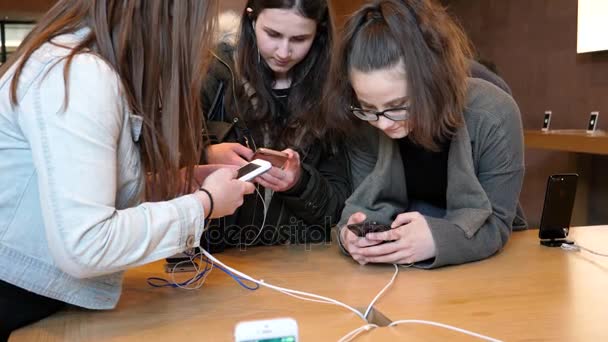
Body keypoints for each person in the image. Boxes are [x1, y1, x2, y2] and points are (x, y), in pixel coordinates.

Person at [0, 0, 255, 338]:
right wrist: (204, 203)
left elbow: (82, 196)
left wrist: (177, 182)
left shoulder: (75, 63)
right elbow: (86, 245)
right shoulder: (79, 74)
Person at [326, 0, 527, 268]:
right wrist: (350, 237)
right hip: (400, 268)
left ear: (431, 82)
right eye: (368, 107)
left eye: (397, 106)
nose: (383, 124)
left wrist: (436, 240)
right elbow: (365, 207)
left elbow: (498, 224)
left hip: (486, 264)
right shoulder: (362, 122)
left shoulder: (494, 113)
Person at [200, 0, 351, 248]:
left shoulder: (332, 90)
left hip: (295, 263)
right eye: (272, 34)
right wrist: (207, 154)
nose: (283, 52)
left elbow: (338, 209)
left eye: (300, 39)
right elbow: (163, 174)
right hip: (214, 258)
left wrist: (299, 183)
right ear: (251, 19)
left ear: (320, 32)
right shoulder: (215, 71)